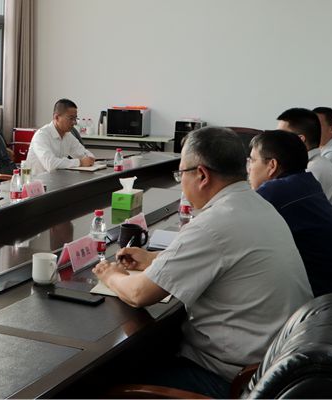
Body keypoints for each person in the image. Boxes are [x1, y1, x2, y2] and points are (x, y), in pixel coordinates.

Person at [93, 127, 313, 398]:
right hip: (274, 366)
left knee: (102, 382)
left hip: (234, 380)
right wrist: (153, 259)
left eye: (181, 174)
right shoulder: (255, 205)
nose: (180, 182)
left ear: (202, 175)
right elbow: (226, 259)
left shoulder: (214, 223)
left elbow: (139, 294)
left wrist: (110, 274)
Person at [248, 130, 332, 297]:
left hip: (323, 299)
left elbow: (231, 225)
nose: (249, 168)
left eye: (252, 160)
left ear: (272, 166)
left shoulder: (276, 191)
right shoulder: (306, 182)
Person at [276, 108, 332, 237]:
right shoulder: (318, 163)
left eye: (280, 136)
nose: (275, 142)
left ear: (300, 140)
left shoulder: (310, 171)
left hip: (327, 245)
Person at [25, 98, 95, 175]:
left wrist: (90, 158)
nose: (74, 122)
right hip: (38, 181)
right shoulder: (41, 136)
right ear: (57, 117)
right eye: (71, 118)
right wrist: (80, 162)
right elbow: (51, 164)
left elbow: (84, 153)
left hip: (58, 179)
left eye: (75, 119)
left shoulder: (68, 135)